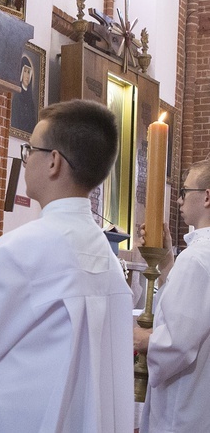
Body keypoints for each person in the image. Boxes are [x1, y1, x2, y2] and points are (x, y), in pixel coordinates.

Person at [0, 99, 134, 432]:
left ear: (54, 163)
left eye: (30, 150)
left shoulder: (26, 249)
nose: (26, 159)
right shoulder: (108, 262)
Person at [134, 159, 210, 432]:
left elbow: (176, 344)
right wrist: (166, 261)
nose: (178, 200)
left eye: (184, 192)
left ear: (207, 197)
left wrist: (142, 339)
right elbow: (192, 312)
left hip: (185, 409)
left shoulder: (197, 259)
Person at [11, 54, 37, 134]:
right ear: (21, 73)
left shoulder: (31, 101)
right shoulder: (17, 97)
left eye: (29, 72)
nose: (27, 75)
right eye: (25, 71)